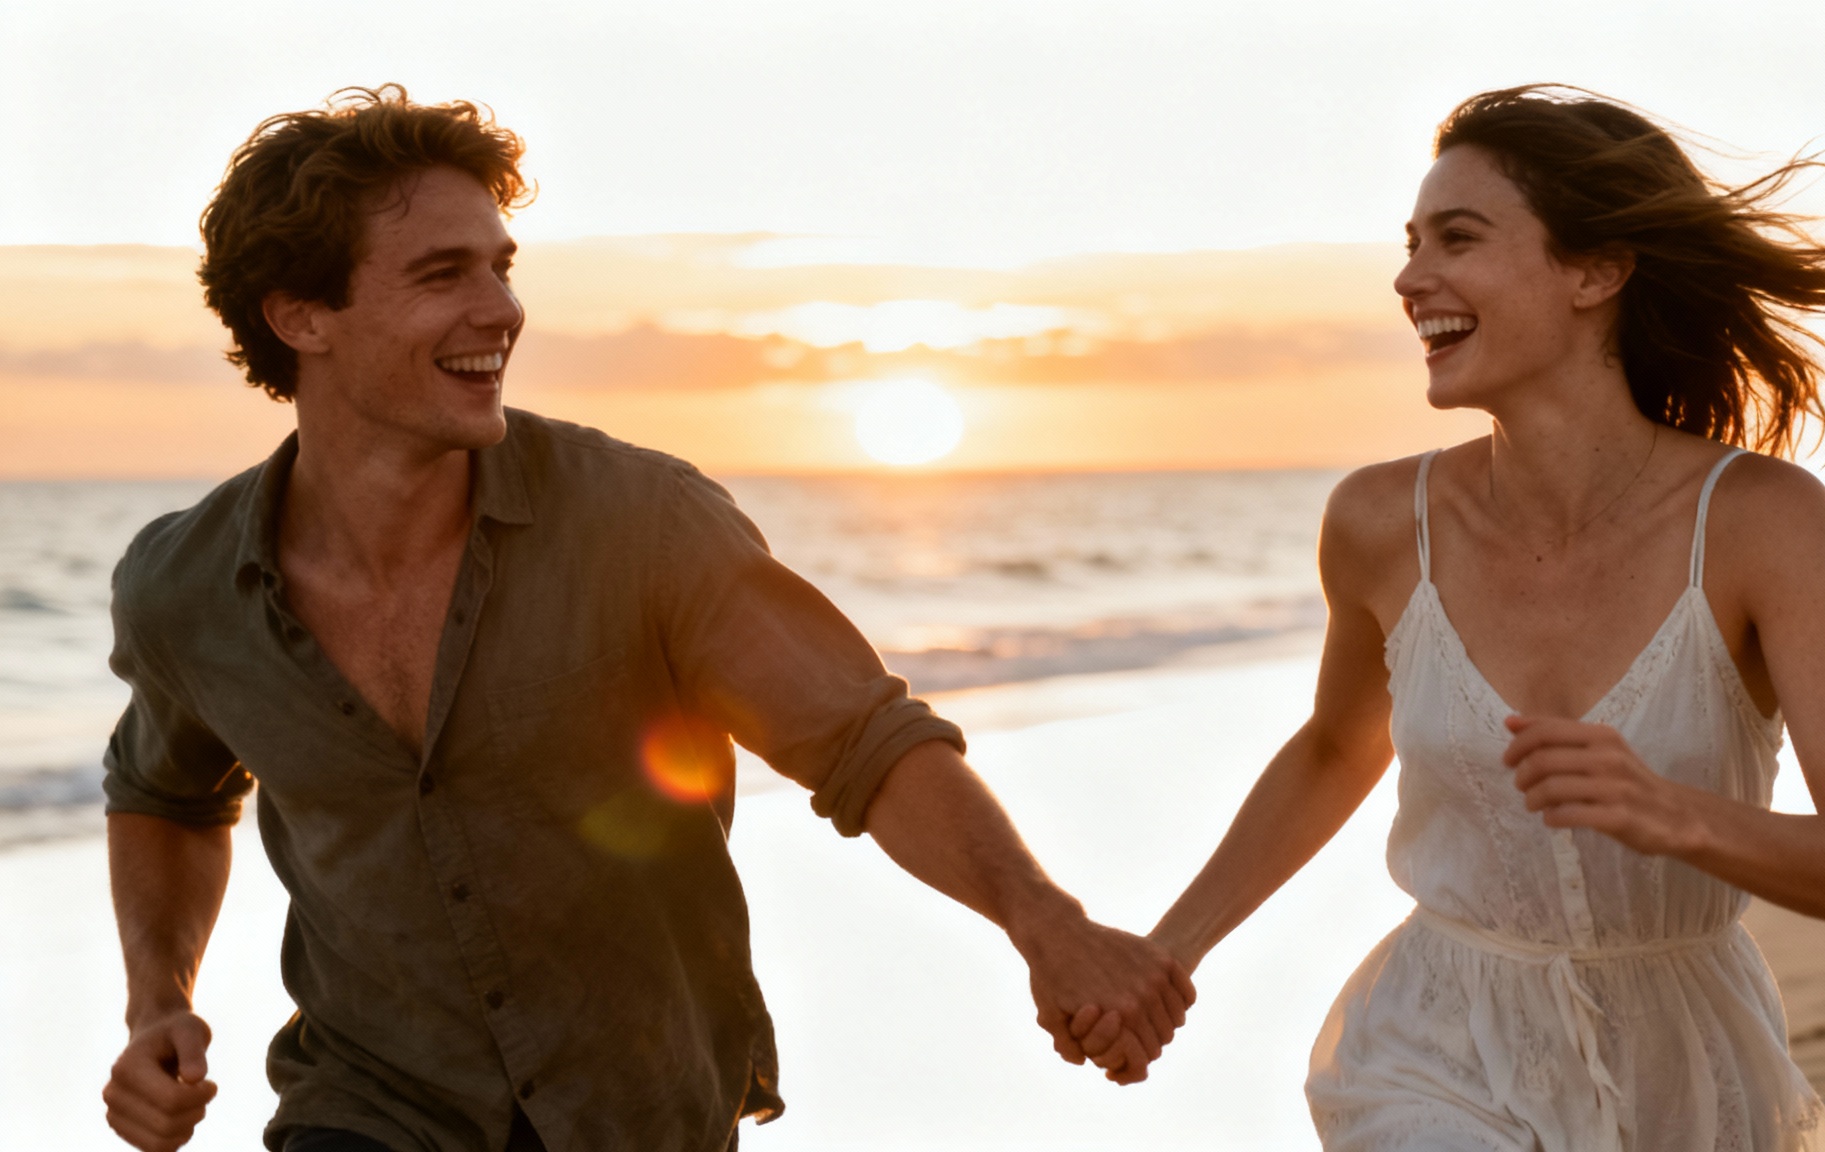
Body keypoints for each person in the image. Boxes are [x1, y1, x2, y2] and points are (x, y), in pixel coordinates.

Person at [97, 86, 1192, 1152]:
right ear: (300, 316)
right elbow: (165, 793)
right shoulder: (185, 589)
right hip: (367, 1107)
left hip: (639, 1111)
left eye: (501, 267)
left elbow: (864, 741)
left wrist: (1045, 924)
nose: (501, 309)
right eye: (443, 274)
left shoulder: (643, 523)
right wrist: (157, 1002)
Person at [1084, 86, 1825, 1148]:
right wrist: (1168, 954)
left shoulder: (1763, 525)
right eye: (1409, 243)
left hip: (1684, 1059)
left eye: (1458, 238)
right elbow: (1335, 746)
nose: (1408, 277)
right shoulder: (1377, 521)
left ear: (1594, 270)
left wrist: (1674, 813)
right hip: (1434, 1045)